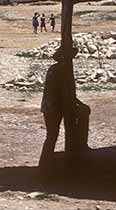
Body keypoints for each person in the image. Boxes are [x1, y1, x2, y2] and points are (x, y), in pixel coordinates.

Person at [39, 45, 90, 177]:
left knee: (51, 136)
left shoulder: (56, 68)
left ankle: (45, 165)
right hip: (53, 107)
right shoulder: (61, 70)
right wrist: (79, 104)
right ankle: (45, 166)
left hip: (52, 106)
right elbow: (65, 92)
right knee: (51, 136)